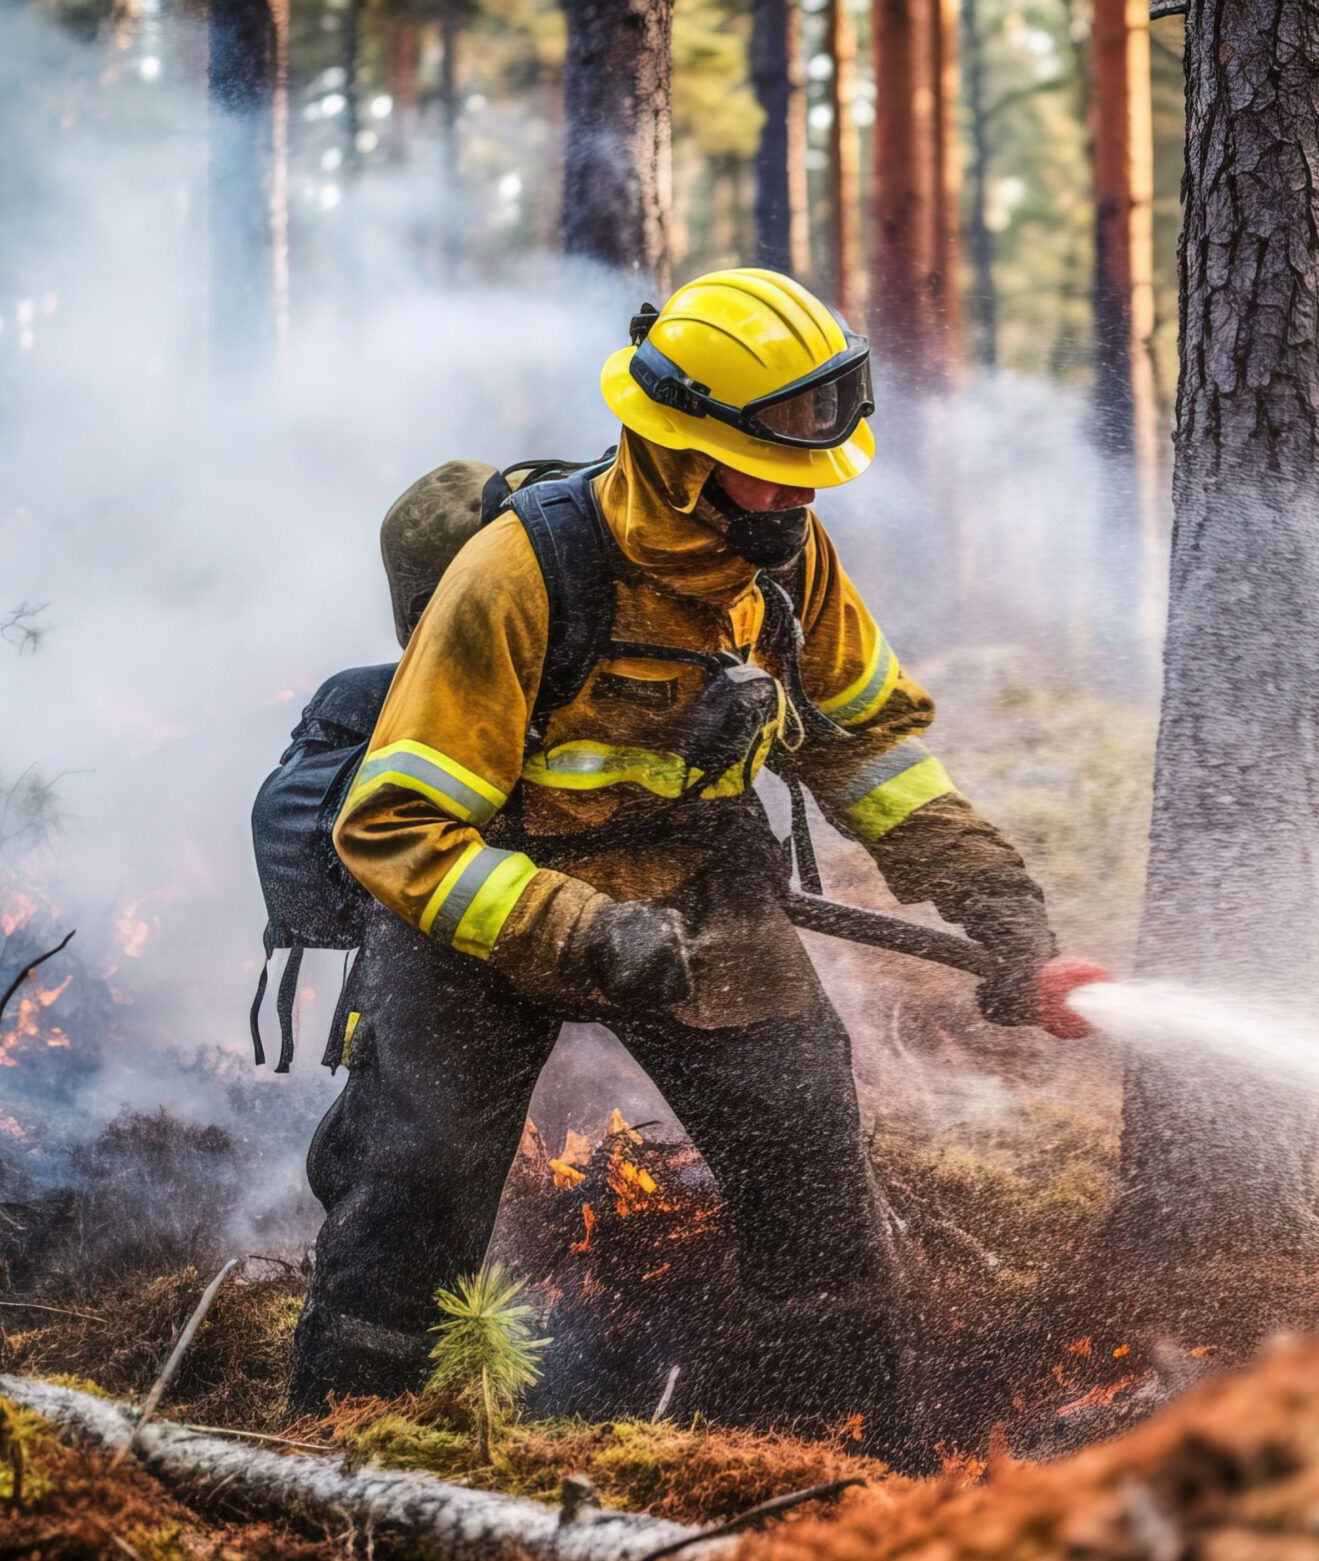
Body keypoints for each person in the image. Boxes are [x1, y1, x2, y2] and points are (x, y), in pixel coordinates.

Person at [286, 268, 1059, 1455]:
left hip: (697, 885)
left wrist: (989, 891)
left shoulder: (784, 559)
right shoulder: (518, 574)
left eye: (817, 467)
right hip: (484, 906)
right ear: (680, 452)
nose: (801, 494)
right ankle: (346, 1462)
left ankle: (838, 1456)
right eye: (778, 465)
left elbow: (865, 746)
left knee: (805, 1154)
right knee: (413, 1186)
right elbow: (395, 827)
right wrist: (582, 932)